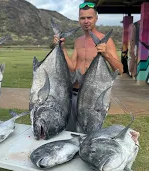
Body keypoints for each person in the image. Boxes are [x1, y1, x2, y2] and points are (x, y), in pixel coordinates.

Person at [53, 1, 140, 143]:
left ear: (96, 18)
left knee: (90, 134)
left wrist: (106, 54)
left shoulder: (107, 41)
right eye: (82, 18)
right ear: (79, 20)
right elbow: (73, 67)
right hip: (74, 93)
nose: (86, 21)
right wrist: (62, 48)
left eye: (89, 18)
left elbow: (120, 70)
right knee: (69, 133)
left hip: (93, 97)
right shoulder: (78, 41)